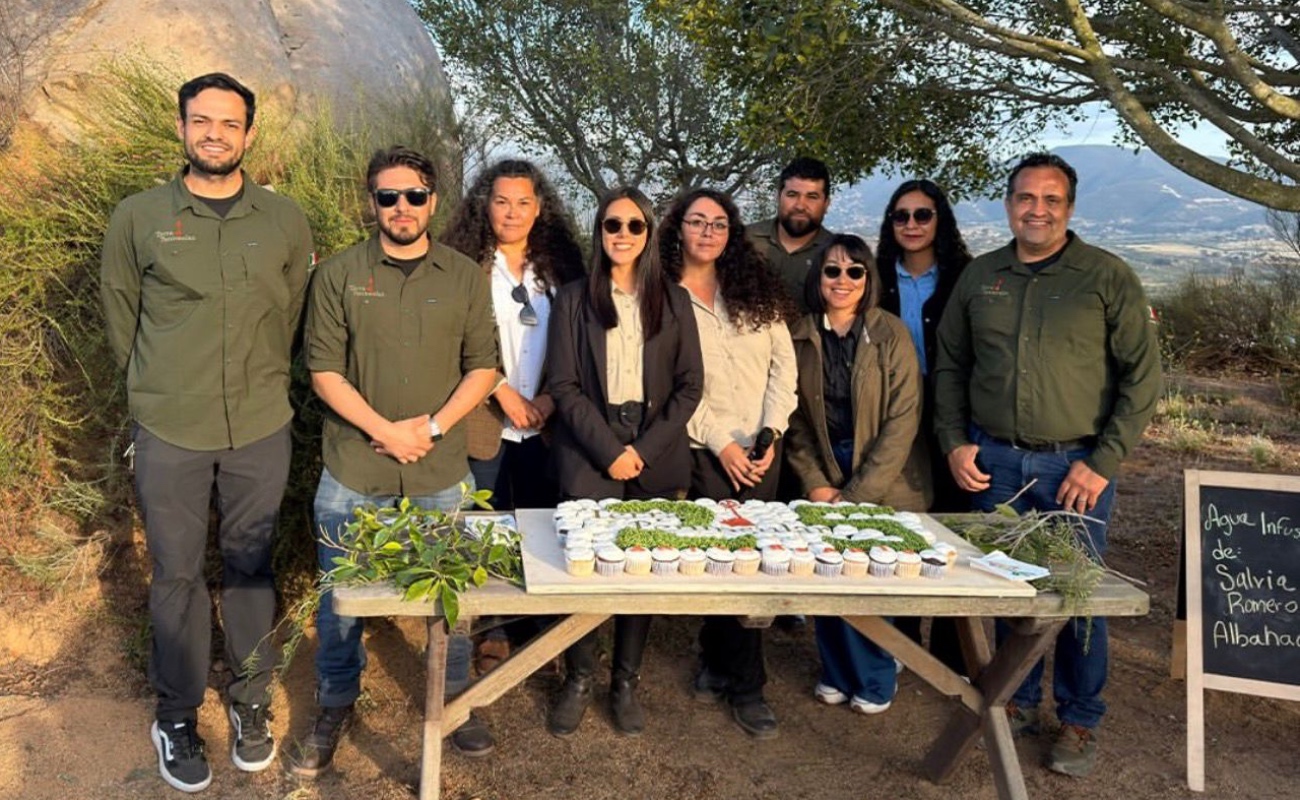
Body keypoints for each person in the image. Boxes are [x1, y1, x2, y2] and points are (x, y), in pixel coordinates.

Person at [100, 72, 312, 793]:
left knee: (251, 568)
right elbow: (121, 321)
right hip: (170, 425)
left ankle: (252, 704)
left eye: (229, 122)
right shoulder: (138, 216)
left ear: (250, 134)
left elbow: (289, 319)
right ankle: (178, 715)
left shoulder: (285, 220)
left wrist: (260, 381)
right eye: (201, 121)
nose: (214, 133)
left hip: (258, 421)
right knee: (179, 576)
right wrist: (156, 392)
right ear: (183, 128)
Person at [933, 152, 1162, 777]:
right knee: (1005, 587)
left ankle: (1080, 718)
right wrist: (955, 442)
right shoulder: (981, 278)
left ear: (1069, 207)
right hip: (995, 464)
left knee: (1079, 596)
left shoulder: (1105, 277)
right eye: (1026, 198)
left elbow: (1142, 378)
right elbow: (950, 366)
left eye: (1051, 199)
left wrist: (1104, 461)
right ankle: (1016, 702)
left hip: (1076, 468)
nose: (1037, 210)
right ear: (1009, 205)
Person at [288, 146, 500, 776]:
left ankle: (457, 701)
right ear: (371, 201)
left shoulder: (464, 275)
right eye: (388, 196)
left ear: (433, 201)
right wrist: (386, 431)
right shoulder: (339, 275)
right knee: (341, 597)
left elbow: (484, 367)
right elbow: (322, 368)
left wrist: (430, 429)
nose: (401, 208)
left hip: (439, 467)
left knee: (456, 594)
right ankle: (334, 704)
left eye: (413, 196)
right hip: (356, 465)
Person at [545, 187, 703, 737]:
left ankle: (626, 682)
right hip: (592, 449)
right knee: (585, 569)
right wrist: (611, 452)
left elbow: (690, 388)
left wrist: (641, 450)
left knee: (640, 567)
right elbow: (563, 386)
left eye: (635, 226)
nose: (623, 235)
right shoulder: (572, 299)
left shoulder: (675, 300)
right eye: (613, 225)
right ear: (599, 232)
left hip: (653, 448)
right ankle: (579, 677)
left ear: (649, 233)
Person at [659, 188, 798, 739]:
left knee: (752, 564)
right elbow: (668, 386)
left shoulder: (754, 292)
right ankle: (728, 669)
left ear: (731, 233)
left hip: (762, 451)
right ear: (679, 229)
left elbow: (782, 368)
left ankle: (740, 681)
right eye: (697, 221)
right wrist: (723, 443)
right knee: (723, 560)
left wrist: (770, 434)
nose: (708, 232)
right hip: (704, 452)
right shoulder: (662, 296)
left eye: (719, 223)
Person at [784, 234, 930, 717]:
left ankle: (873, 677)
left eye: (854, 271)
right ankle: (836, 671)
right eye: (832, 271)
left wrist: (858, 494)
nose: (842, 280)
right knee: (827, 570)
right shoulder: (801, 335)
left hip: (885, 476)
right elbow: (796, 419)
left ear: (868, 278)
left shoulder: (890, 334)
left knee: (869, 576)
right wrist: (816, 482)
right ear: (818, 278)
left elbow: (902, 422)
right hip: (827, 467)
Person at [440, 159, 585, 510]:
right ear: (486, 206)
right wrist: (500, 390)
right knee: (486, 539)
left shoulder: (563, 268)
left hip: (547, 430)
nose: (512, 213)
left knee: (543, 540)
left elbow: (581, 342)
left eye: (523, 203)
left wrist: (551, 398)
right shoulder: (462, 267)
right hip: (484, 427)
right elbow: (449, 341)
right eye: (502, 202)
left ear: (538, 209)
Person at [875, 179, 973, 675]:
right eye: (901, 216)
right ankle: (902, 641)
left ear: (940, 221)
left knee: (953, 530)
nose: (912, 225)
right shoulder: (873, 277)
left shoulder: (964, 278)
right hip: (894, 419)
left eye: (922, 215)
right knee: (906, 528)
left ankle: (955, 653)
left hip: (952, 418)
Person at [747, 156, 836, 312]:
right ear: (778, 197)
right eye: (792, 195)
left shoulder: (836, 253)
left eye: (812, 197)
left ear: (826, 204)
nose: (800, 205)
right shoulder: (744, 239)